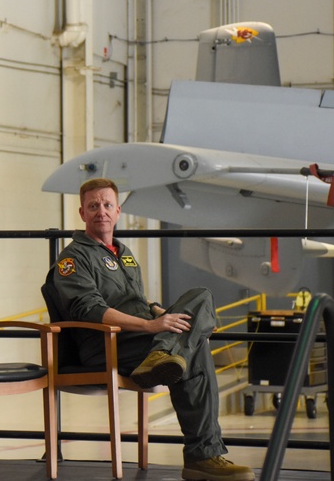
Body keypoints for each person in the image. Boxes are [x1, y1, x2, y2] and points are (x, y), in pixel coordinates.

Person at [46, 177, 254, 481]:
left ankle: (165, 354)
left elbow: (136, 301)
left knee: (201, 296)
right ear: (82, 214)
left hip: (144, 339)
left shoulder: (124, 254)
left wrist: (158, 312)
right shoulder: (73, 258)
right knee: (193, 349)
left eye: (106, 205)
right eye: (93, 206)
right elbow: (89, 310)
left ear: (117, 211)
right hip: (107, 345)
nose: (100, 211)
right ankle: (202, 457)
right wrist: (151, 324)